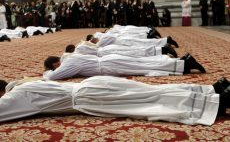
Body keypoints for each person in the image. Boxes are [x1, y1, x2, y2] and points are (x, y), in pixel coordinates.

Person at [0, 76, 229, 125]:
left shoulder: (17, 94)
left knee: (151, 101)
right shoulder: (24, 83)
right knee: (151, 91)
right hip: (95, 84)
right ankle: (211, 90)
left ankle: (218, 102)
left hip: (90, 98)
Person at [43, 53, 205, 80]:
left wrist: (47, 73)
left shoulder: (68, 62)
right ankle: (183, 61)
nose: (56, 68)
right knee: (144, 64)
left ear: (56, 64)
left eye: (54, 66)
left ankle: (184, 64)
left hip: (110, 65)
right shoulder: (71, 56)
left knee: (144, 68)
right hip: (110, 61)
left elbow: (54, 76)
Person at [74, 41, 178, 57]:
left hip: (106, 52)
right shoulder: (81, 46)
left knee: (135, 52)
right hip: (107, 50)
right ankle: (162, 49)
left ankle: (163, 50)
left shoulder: (79, 49)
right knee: (135, 50)